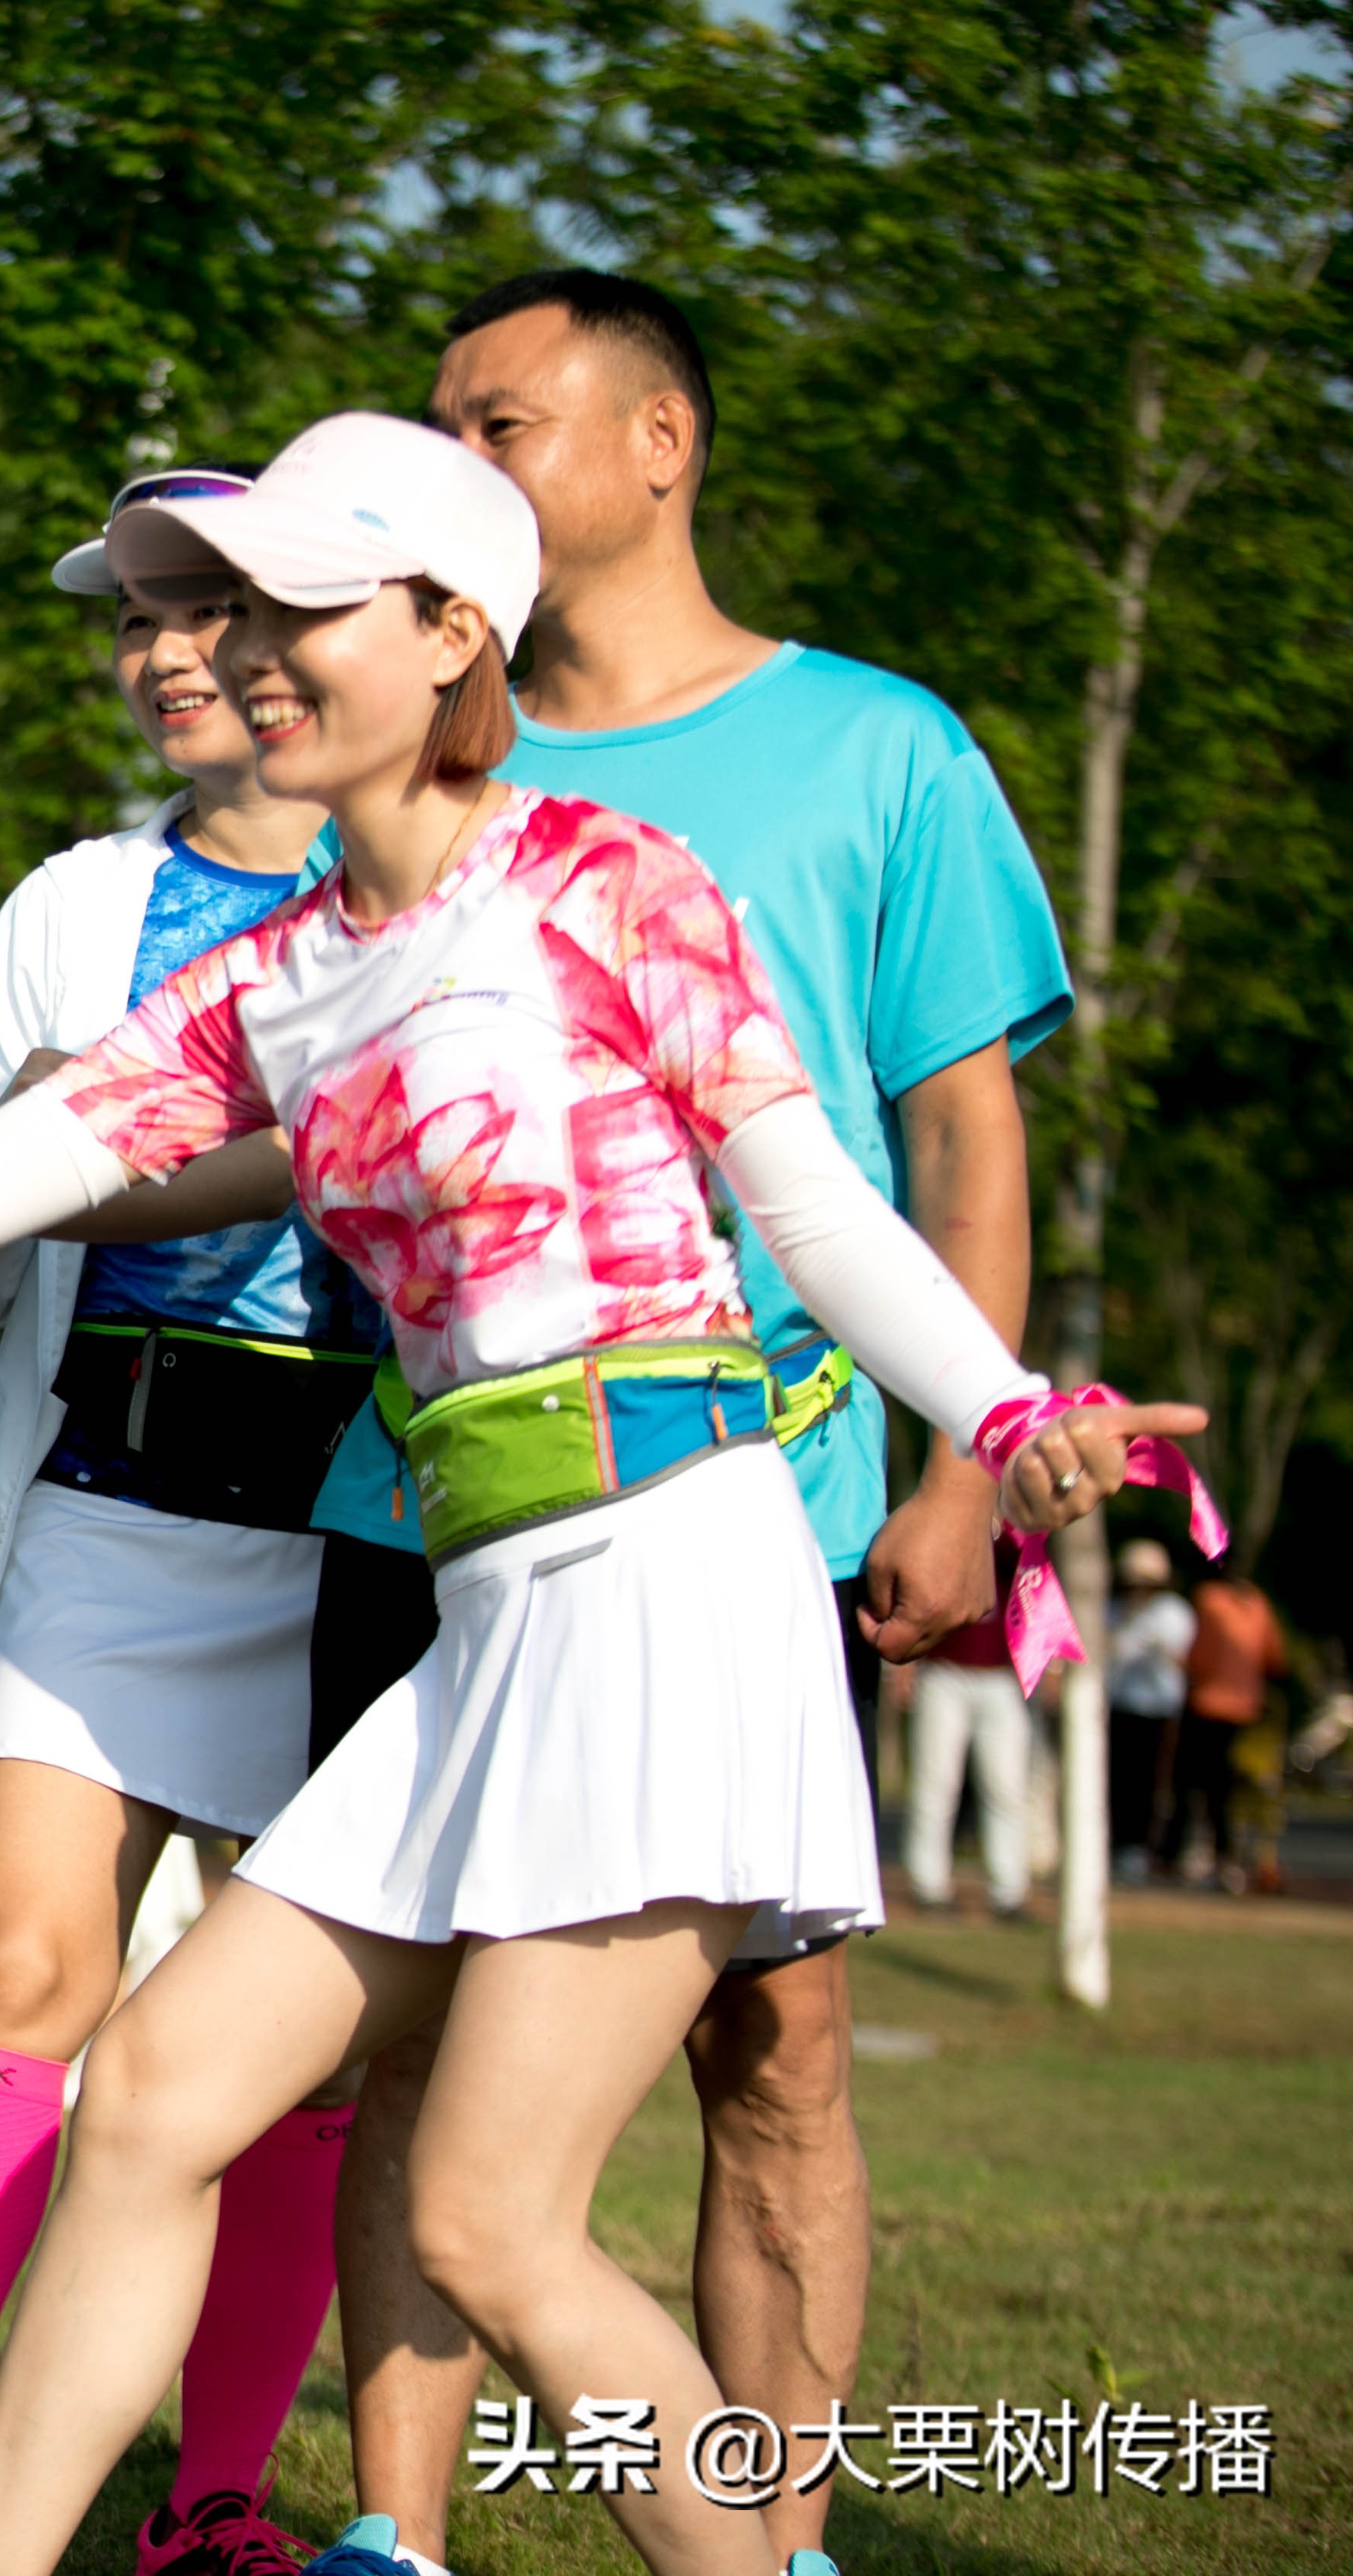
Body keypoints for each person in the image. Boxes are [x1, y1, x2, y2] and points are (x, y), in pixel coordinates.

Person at [0, 406, 1192, 2576]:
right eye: (223, 611)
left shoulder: (608, 881)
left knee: (495, 2224)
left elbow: (816, 1208)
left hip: (669, 1581)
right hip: (489, 1607)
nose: (237, 651)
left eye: (295, 607)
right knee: (144, 2102)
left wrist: (998, 1414)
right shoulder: (275, 982)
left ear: (448, 630)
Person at [298, 270, 1072, 2576]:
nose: (455, 464)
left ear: (660, 445)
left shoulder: (880, 751)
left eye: (499, 421)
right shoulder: (423, 762)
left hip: (769, 1509)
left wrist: (964, 1469)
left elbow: (960, 1148)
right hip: (427, 1496)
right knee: (409, 2046)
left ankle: (775, 2538)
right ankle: (389, 2540)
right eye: (433, 428)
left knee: (782, 2059)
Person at [0, 471, 385, 2576]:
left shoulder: (433, 893)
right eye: (137, 619)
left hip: (363, 1524)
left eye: (211, 610)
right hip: (114, 1501)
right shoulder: (67, 904)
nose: (167, 654)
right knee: (15, 1974)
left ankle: (215, 2508)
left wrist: (74, 1135)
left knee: (298, 2039)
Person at [903, 1587, 1033, 1916]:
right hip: (944, 1672)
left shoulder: (1017, 1539)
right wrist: (904, 1666)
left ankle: (1010, 1890)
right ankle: (928, 1885)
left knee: (1007, 1787)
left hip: (1002, 1677)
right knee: (936, 1785)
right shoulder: (943, 1534)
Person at [1169, 1572, 1286, 1888]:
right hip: (1246, 1707)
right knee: (1226, 1787)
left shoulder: (1210, 1599)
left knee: (1194, 1782)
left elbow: (1200, 1657)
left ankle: (1195, 1854)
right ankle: (1226, 1857)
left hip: (1209, 1702)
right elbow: (1274, 1656)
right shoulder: (1258, 1604)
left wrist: (1189, 1669)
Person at [1108, 1538, 1194, 1879]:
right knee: (1117, 1777)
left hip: (1159, 1710)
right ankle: (1115, 1841)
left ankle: (1142, 1847)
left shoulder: (1172, 1613)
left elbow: (1181, 1659)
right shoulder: (1113, 1609)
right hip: (1119, 1703)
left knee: (1149, 1782)